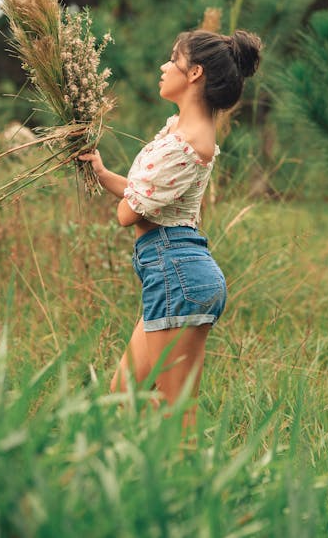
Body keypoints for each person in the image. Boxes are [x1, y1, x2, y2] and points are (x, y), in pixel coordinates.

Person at [79, 28, 262, 424]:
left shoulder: (185, 144)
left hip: (176, 272)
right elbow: (151, 198)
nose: (164, 67)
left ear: (194, 73)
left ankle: (189, 482)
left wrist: (128, 202)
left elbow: (130, 213)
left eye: (172, 59)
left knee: (178, 412)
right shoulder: (184, 134)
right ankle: (147, 474)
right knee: (122, 395)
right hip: (175, 269)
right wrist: (102, 172)